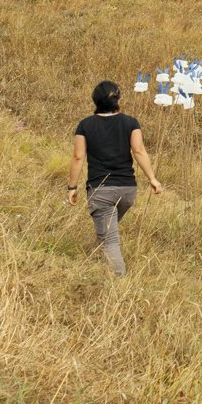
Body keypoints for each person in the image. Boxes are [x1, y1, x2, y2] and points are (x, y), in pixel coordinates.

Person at [66, 80, 162, 276]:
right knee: (106, 229)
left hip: (101, 190)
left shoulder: (85, 125)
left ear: (95, 100)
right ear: (118, 99)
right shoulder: (131, 122)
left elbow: (78, 157)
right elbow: (139, 150)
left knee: (109, 239)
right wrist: (152, 178)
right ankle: (93, 262)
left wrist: (72, 187)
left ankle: (119, 285)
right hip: (128, 190)